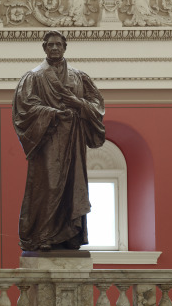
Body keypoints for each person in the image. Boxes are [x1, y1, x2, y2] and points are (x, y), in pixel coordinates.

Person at [12, 30, 105, 251]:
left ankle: (70, 234)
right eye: (50, 45)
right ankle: (43, 235)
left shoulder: (79, 77)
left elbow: (97, 106)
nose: (54, 48)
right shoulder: (33, 77)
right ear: (44, 47)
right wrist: (52, 113)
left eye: (58, 44)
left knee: (74, 184)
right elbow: (24, 109)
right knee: (49, 185)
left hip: (74, 139)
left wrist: (78, 103)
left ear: (65, 47)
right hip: (48, 139)